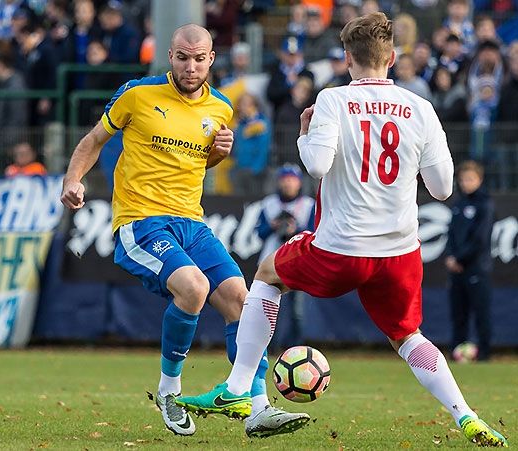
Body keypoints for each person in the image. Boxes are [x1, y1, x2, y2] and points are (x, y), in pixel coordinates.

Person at [177, 13, 507, 447]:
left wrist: (302, 134)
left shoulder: (333, 100)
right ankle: (466, 416)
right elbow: (444, 189)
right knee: (408, 337)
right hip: (399, 252)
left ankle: (238, 387)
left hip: (342, 246)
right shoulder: (421, 108)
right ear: (391, 58)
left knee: (266, 276)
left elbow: (316, 166)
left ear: (348, 57)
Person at [60, 24, 307, 438]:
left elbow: (195, 162)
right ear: (169, 57)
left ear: (212, 59)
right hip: (140, 220)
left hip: (191, 222)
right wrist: (72, 180)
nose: (190, 67)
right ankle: (169, 392)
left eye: (199, 59)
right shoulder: (138, 95)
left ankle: (258, 407)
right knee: (192, 288)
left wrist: (215, 155)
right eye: (182, 58)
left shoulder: (221, 108)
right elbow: (93, 140)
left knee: (241, 301)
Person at [257, 163, 314, 351]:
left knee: (297, 310)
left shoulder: (308, 204)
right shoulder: (269, 203)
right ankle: (269, 348)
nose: (288, 183)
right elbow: (260, 233)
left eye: (292, 179)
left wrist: (295, 230)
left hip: (298, 262)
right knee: (270, 308)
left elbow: (315, 233)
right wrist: (273, 226)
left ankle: (294, 349)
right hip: (271, 262)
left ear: (299, 183)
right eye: (285, 179)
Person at [445, 161, 494, 362]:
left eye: (470, 179)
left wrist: (460, 258)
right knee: (458, 313)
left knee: (480, 311)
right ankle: (457, 350)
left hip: (477, 268)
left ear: (479, 180)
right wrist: (450, 256)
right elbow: (451, 234)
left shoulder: (485, 204)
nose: (466, 183)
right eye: (463, 179)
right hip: (456, 269)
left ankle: (484, 354)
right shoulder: (458, 204)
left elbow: (480, 239)